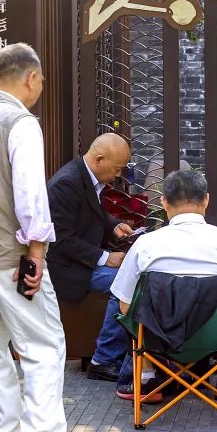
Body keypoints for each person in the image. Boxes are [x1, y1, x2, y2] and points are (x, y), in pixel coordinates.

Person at [0, 43, 88, 432]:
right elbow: (31, 196)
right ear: (32, 78)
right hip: (14, 256)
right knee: (44, 345)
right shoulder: (21, 123)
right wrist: (36, 252)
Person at [110, 170, 217, 400]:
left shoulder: (145, 244)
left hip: (158, 339)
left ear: (164, 202)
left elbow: (125, 307)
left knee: (130, 306)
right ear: (206, 200)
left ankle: (147, 378)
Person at [45, 134, 135, 381]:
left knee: (132, 279)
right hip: (68, 269)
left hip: (81, 262)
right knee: (125, 283)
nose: (118, 175)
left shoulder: (84, 177)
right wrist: (105, 258)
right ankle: (103, 359)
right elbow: (61, 239)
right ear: (99, 159)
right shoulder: (66, 184)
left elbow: (92, 213)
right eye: (117, 168)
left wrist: (113, 226)